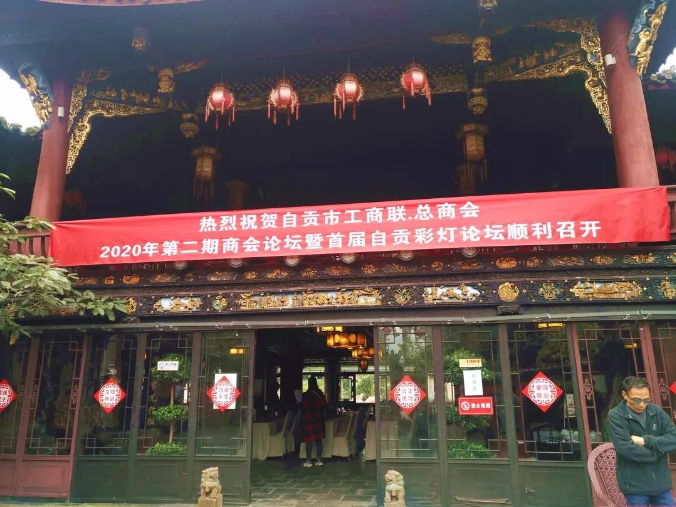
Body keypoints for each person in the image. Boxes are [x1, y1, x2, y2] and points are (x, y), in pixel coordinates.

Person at [607, 376, 676, 506]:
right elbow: (626, 449)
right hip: (635, 486)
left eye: (646, 400)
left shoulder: (656, 411)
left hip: (662, 483)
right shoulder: (616, 416)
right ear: (625, 395)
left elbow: (673, 439)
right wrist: (658, 452)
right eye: (636, 400)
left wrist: (646, 440)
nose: (642, 405)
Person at [299, 376, 326, 467]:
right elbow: (324, 406)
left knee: (309, 441)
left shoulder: (306, 395)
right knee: (319, 441)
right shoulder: (320, 394)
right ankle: (319, 460)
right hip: (319, 420)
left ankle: (308, 461)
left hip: (309, 421)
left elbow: (302, 408)